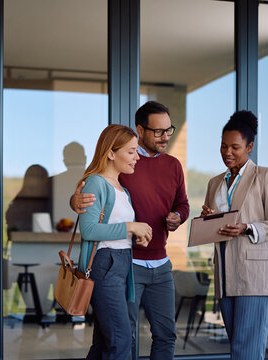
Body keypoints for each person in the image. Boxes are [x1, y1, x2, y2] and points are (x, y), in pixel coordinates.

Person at [72, 101, 189, 360]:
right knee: (120, 338)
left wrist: (177, 217)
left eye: (169, 130)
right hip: (122, 264)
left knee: (126, 338)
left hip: (152, 263)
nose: (166, 136)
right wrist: (75, 201)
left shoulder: (165, 167)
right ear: (141, 129)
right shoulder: (118, 170)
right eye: (158, 131)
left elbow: (182, 204)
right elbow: (92, 195)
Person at [200, 110, 268, 360]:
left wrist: (247, 227)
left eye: (235, 147)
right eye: (223, 146)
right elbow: (214, 228)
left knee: (246, 352)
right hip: (225, 277)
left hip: (254, 277)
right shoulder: (215, 183)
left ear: (249, 147)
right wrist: (208, 219)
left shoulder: (265, 177)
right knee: (237, 349)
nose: (227, 152)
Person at [78, 124, 152, 360]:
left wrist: (135, 236)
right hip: (104, 264)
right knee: (120, 338)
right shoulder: (95, 183)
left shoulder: (122, 189)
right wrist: (131, 227)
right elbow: (89, 229)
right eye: (131, 151)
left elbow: (114, 230)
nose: (137, 157)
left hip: (121, 264)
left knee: (105, 341)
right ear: (111, 152)